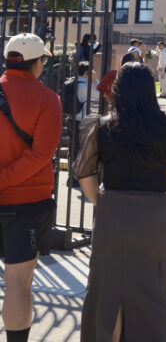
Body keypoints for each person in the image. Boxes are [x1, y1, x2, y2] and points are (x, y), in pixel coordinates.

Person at [76, 62, 166, 342]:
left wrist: (101, 202)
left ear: (118, 92)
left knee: (110, 290)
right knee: (156, 290)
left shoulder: (103, 127)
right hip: (156, 213)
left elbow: (84, 172)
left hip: (113, 212)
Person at [0, 34, 59, 342]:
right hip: (26, 202)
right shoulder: (47, 99)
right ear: (38, 63)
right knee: (18, 284)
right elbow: (41, 154)